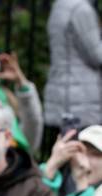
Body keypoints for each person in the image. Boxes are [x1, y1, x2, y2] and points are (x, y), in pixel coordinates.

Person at [44, 0, 102, 130]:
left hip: (64, 93)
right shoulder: (81, 9)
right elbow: (96, 55)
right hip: (82, 96)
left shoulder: (60, 5)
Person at [40, 125, 102, 196]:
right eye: (79, 151)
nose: (84, 159)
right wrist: (52, 165)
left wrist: (81, 182)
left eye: (95, 154)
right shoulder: (59, 180)